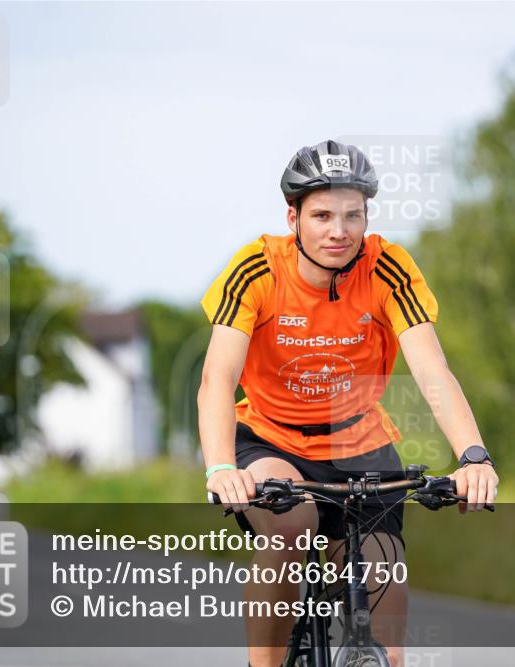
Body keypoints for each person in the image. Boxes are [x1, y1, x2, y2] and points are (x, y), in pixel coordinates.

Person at [199, 140, 499, 667]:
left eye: (352, 215)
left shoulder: (387, 268)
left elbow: (433, 372)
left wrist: (473, 455)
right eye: (321, 215)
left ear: (366, 217)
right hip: (269, 438)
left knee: (384, 593)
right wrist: (222, 466)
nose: (339, 230)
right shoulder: (257, 269)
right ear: (292, 218)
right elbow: (217, 378)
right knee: (293, 527)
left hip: (359, 440)